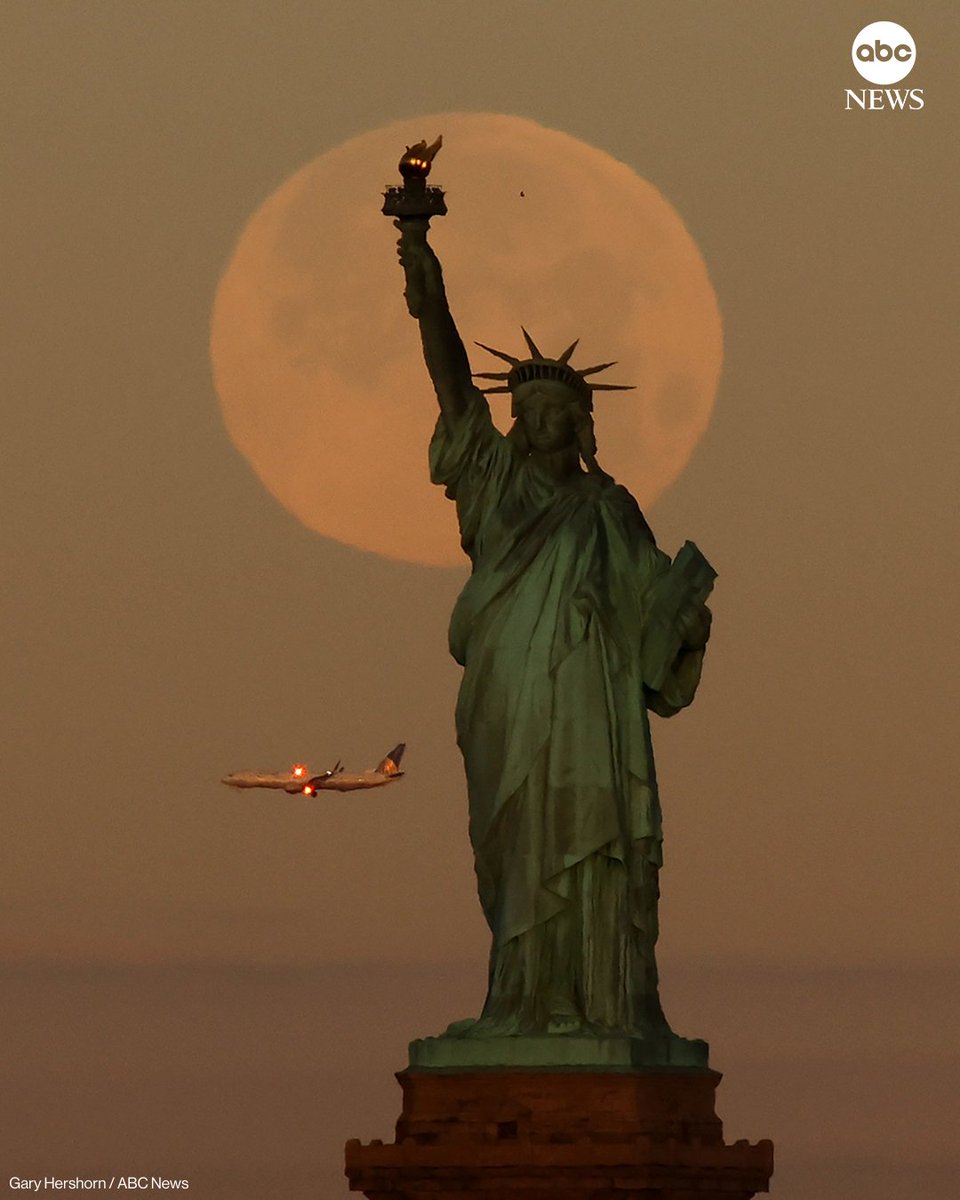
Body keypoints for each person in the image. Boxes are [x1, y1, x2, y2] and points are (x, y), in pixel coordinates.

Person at [396, 219, 712, 1039]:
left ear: (579, 424)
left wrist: (685, 616)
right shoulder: (493, 481)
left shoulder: (610, 509)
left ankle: (595, 1002)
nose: (537, 422)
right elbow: (452, 385)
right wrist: (426, 278)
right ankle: (523, 1002)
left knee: (588, 834)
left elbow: (652, 616)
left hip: (589, 700)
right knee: (517, 841)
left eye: (553, 411)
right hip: (508, 686)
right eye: (526, 410)